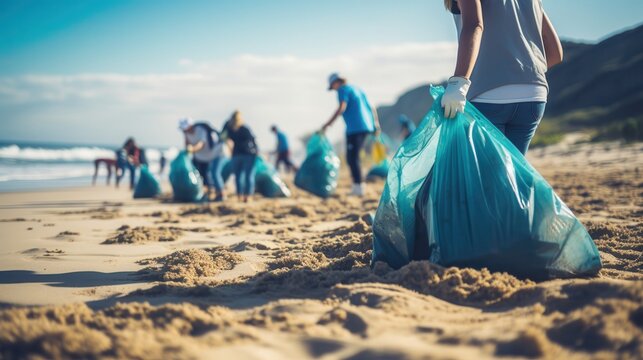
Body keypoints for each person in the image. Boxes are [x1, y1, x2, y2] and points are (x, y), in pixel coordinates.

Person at [441, 0, 563, 155]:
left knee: (488, 175)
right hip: (534, 96)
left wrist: (459, 82)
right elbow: (555, 53)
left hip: (487, 95)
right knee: (511, 170)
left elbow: (475, 25)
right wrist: (521, 73)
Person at [322, 73, 380, 197]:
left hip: (355, 128)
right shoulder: (357, 89)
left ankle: (358, 188)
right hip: (366, 127)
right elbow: (371, 107)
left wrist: (328, 124)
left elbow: (342, 107)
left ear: (336, 82)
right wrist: (376, 124)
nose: (334, 89)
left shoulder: (342, 90)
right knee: (353, 157)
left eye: (333, 86)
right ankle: (358, 186)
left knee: (352, 158)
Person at [179, 118, 225, 201]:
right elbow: (187, 145)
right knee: (203, 175)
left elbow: (202, 144)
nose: (185, 131)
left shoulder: (200, 130)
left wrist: (192, 149)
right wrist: (185, 137)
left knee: (215, 173)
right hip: (201, 157)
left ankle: (221, 194)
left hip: (215, 154)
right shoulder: (186, 133)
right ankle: (208, 193)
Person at [221, 111, 258, 203]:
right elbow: (253, 141)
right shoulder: (244, 128)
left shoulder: (229, 128)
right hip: (248, 154)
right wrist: (257, 152)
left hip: (236, 154)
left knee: (238, 176)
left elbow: (222, 136)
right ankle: (248, 196)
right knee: (248, 176)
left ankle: (239, 196)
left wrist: (226, 124)